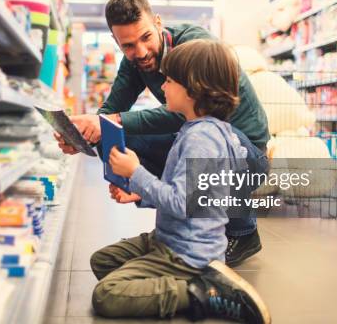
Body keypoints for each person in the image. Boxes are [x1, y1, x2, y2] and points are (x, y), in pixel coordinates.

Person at [56, 0, 270, 266]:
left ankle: (243, 232)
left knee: (209, 135)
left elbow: (188, 116)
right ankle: (181, 223)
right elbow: (110, 111)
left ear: (157, 22)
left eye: (145, 37)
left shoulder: (194, 48)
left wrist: (113, 121)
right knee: (117, 137)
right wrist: (84, 135)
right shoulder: (134, 61)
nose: (141, 52)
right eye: (128, 45)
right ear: (117, 42)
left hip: (246, 151)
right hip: (201, 139)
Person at [89, 39, 270, 323]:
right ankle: (170, 275)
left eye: (170, 80)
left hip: (187, 250)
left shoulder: (202, 139)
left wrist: (135, 172)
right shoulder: (199, 130)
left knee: (107, 293)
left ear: (195, 88)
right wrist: (140, 195)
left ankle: (202, 291)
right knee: (102, 261)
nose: (162, 87)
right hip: (171, 237)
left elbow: (181, 202)